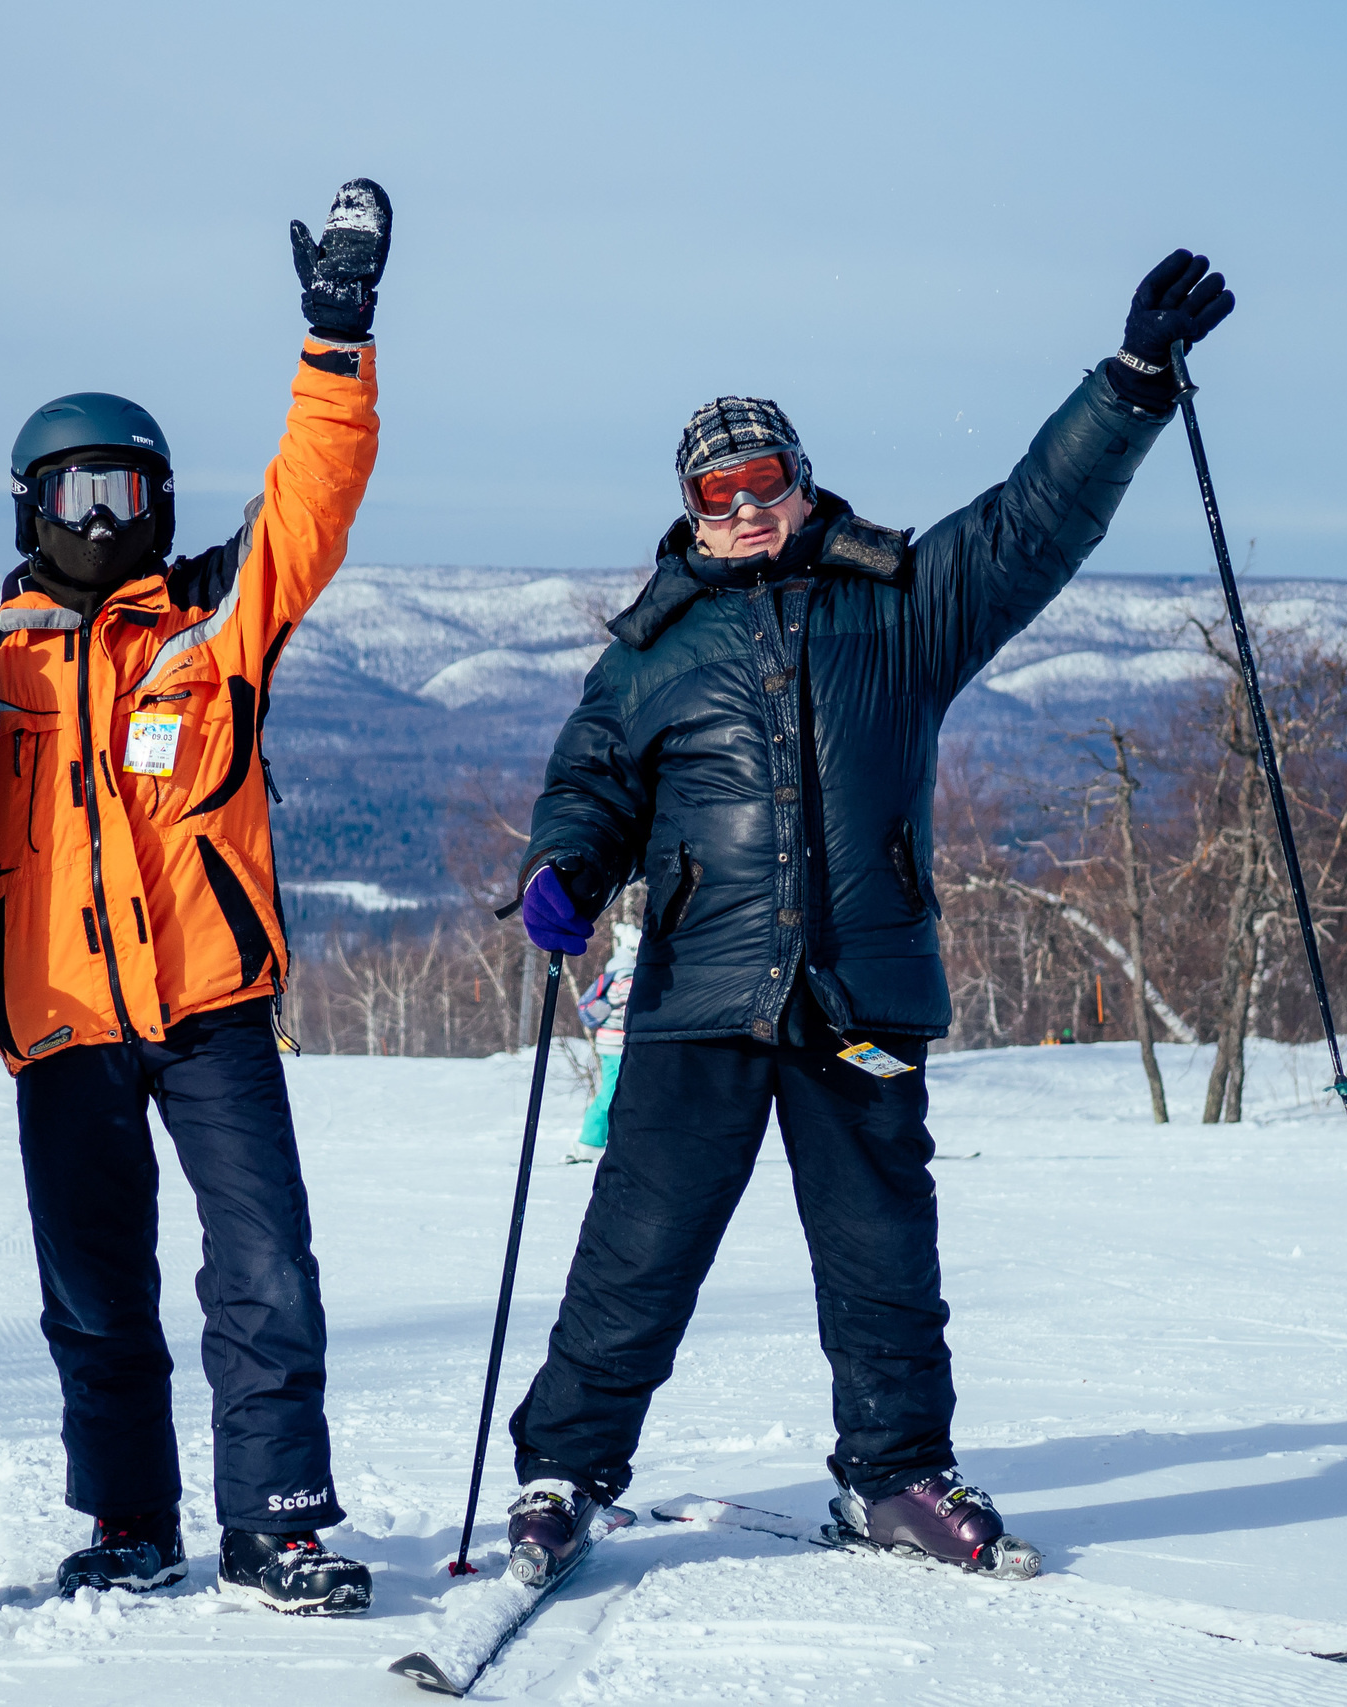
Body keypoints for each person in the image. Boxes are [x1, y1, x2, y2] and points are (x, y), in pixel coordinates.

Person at [501, 251, 1235, 1582]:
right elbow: (591, 785)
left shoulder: (900, 601)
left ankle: (894, 1472)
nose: (742, 509)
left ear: (799, 477)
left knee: (881, 1251)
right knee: (637, 1254)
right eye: (715, 493)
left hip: (862, 985)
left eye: (762, 483)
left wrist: (1128, 387)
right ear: (687, 507)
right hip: (700, 998)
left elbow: (1031, 520)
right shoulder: (650, 649)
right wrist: (562, 865)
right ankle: (561, 1470)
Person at [0, 178, 390, 1617]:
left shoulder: (215, 615)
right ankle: (132, 1517)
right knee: (95, 1291)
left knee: (265, 1267)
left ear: (160, 503)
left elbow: (314, 500)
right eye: (80, 494)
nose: (106, 518)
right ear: (33, 507)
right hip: (60, 1023)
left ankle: (276, 1521)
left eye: (129, 492)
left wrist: (335, 340)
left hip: (212, 1011)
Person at [568, 922, 641, 1164]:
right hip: (616, 1045)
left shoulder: (615, 972)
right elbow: (634, 1005)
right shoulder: (627, 974)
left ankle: (602, 1142)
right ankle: (591, 1143)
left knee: (615, 1092)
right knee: (612, 1093)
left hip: (609, 1044)